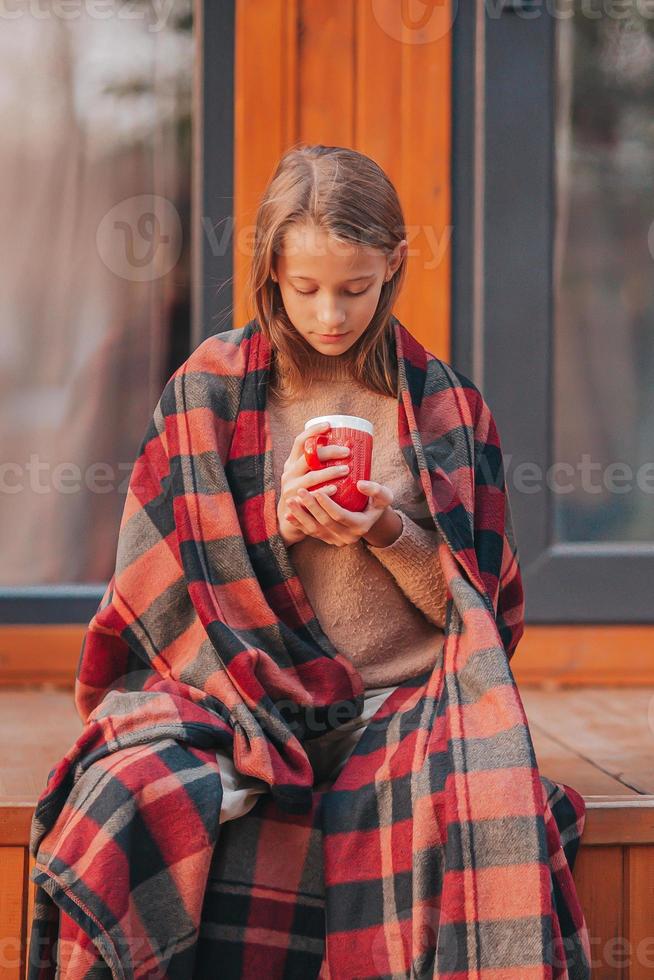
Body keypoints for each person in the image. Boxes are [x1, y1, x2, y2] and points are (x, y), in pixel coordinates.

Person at [213, 143, 451, 823]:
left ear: (394, 263)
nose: (329, 317)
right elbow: (169, 590)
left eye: (355, 289)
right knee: (145, 790)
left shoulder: (439, 408)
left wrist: (387, 531)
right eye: (304, 288)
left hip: (394, 701)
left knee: (460, 793)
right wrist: (274, 532)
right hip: (243, 698)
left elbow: (470, 615)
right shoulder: (211, 394)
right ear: (271, 270)